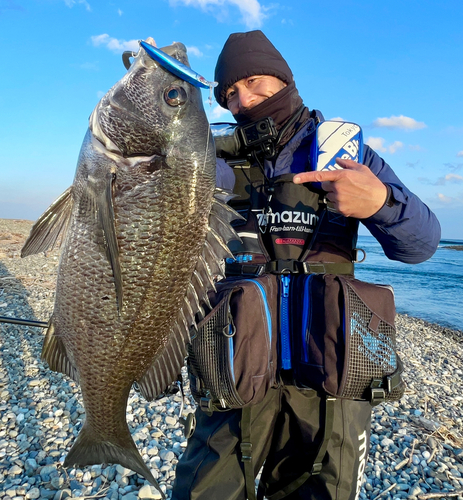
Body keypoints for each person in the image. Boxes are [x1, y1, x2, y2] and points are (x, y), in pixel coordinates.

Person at [171, 30, 440, 500]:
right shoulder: (214, 163)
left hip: (329, 380)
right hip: (233, 365)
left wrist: (379, 202)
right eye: (229, 94)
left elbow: (421, 245)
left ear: (284, 80)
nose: (243, 100)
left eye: (254, 82)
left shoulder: (345, 156)